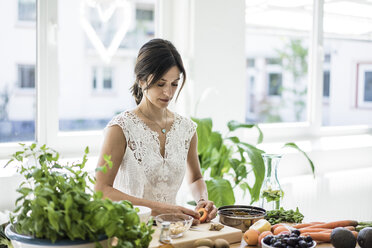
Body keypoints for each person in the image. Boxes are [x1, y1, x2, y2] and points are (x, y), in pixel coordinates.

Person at [95, 38, 217, 224]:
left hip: (174, 232)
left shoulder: (187, 129)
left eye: (174, 84)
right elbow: (101, 190)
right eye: (161, 84)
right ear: (141, 79)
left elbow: (195, 178)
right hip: (129, 231)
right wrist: (159, 208)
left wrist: (202, 200)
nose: (168, 93)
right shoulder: (121, 128)